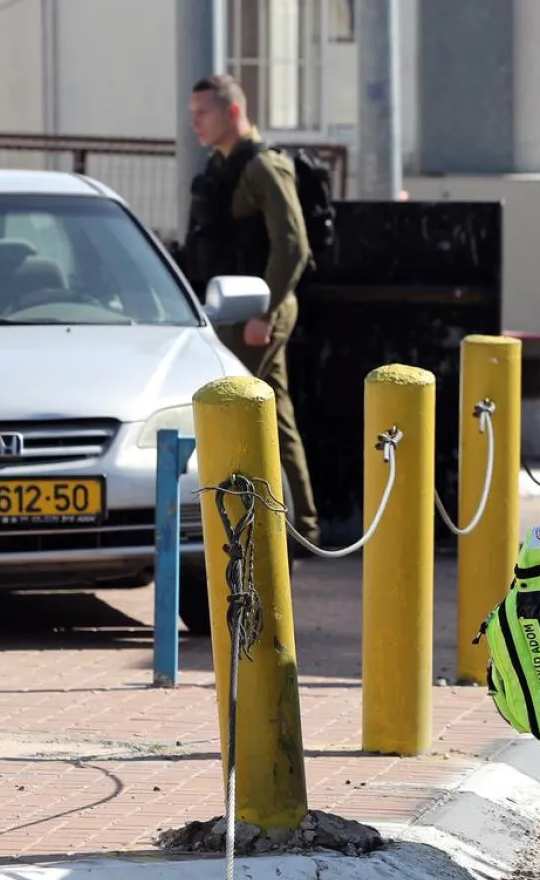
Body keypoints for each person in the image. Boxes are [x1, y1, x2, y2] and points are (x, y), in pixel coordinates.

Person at [181, 74, 321, 551]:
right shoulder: (219, 167)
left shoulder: (264, 166)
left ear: (233, 111)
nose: (195, 122)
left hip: (259, 311)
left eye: (203, 112)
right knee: (275, 413)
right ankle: (303, 524)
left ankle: (274, 526)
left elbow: (292, 246)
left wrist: (265, 311)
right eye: (192, 113)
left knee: (235, 409)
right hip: (231, 309)